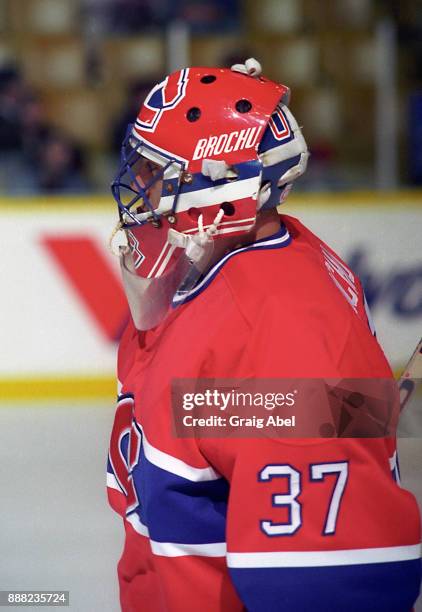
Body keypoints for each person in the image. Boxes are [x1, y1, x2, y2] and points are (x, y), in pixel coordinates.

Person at [107, 59, 421, 611]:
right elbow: (271, 417)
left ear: (222, 188)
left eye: (161, 174)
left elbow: (330, 583)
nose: (142, 192)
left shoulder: (278, 326)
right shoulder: (222, 275)